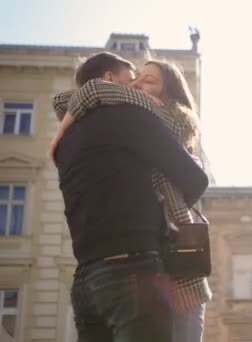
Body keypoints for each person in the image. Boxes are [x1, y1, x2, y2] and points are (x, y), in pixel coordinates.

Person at [51, 56, 211, 342]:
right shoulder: (132, 115)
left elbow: (76, 95)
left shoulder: (75, 136)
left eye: (147, 81)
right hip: (139, 268)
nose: (136, 85)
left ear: (169, 93)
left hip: (102, 275)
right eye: (133, 79)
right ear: (111, 80)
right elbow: (195, 180)